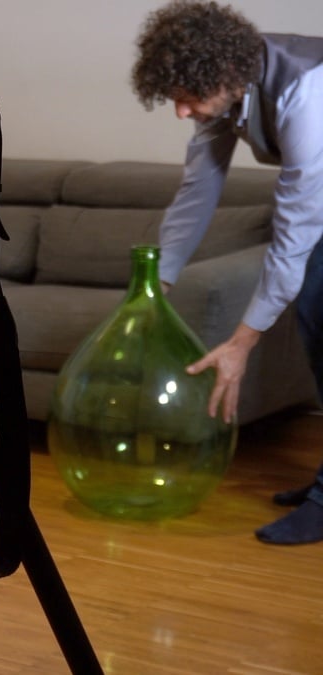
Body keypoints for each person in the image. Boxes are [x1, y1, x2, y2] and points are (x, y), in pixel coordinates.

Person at [131, 1, 323, 544]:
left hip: (319, 201)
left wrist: (241, 343)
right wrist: (158, 284)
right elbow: (198, 191)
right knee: (314, 322)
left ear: (221, 76)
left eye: (187, 97)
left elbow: (294, 229)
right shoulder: (229, 92)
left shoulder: (307, 94)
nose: (180, 112)